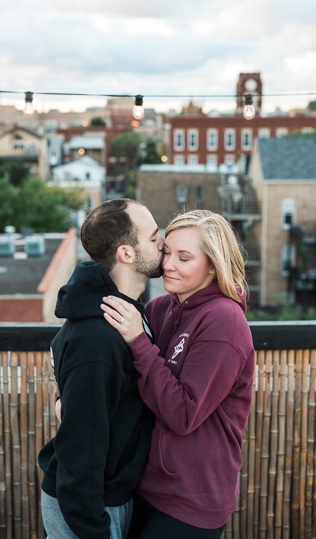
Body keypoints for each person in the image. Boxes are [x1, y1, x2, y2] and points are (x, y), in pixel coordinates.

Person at [99, 210, 254, 539]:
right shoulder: (158, 309)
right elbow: (114, 369)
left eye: (184, 258)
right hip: (142, 484)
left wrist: (139, 342)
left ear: (213, 265)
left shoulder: (224, 320)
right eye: (167, 252)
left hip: (191, 500)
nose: (168, 265)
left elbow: (183, 414)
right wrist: (69, 392)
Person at [38, 199, 164, 539]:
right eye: (153, 238)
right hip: (88, 508)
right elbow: (82, 447)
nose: (162, 243)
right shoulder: (98, 337)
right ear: (126, 253)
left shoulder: (126, 316)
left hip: (108, 496)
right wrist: (94, 528)